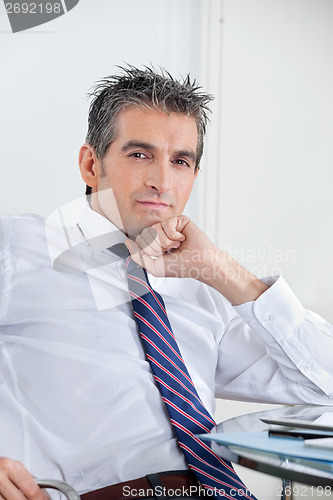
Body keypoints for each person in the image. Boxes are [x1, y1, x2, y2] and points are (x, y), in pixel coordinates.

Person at [0, 65, 333, 500]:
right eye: (139, 154)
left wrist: (221, 272)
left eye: (181, 161)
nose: (161, 180)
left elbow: (322, 386)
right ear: (90, 164)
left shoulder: (200, 288)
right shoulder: (18, 247)